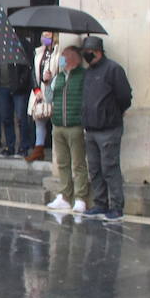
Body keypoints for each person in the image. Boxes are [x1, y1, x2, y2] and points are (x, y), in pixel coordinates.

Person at [80, 36, 132, 221]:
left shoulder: (113, 69)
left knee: (110, 167)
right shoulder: (88, 72)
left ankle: (116, 206)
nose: (86, 55)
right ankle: (100, 203)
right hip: (91, 128)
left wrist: (114, 113)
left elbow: (125, 96)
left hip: (108, 127)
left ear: (98, 51)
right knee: (94, 169)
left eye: (89, 52)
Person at [46, 46, 89, 213]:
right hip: (58, 125)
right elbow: (49, 97)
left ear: (73, 58)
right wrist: (48, 83)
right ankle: (64, 195)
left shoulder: (83, 76)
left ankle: (80, 197)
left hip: (75, 125)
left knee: (78, 164)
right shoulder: (59, 77)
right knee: (62, 163)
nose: (61, 59)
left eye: (64, 56)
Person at [25, 32, 59, 162]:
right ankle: (38, 150)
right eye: (43, 35)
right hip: (39, 92)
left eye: (48, 36)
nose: (44, 38)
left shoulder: (59, 54)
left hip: (53, 90)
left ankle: (57, 150)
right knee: (39, 120)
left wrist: (52, 79)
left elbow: (63, 70)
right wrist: (36, 89)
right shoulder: (38, 53)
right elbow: (33, 73)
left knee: (54, 121)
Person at [0, 58, 33, 157]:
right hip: (3, 87)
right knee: (5, 117)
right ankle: (9, 146)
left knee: (21, 117)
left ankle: (23, 147)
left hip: (18, 87)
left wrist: (21, 82)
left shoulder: (17, 47)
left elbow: (27, 66)